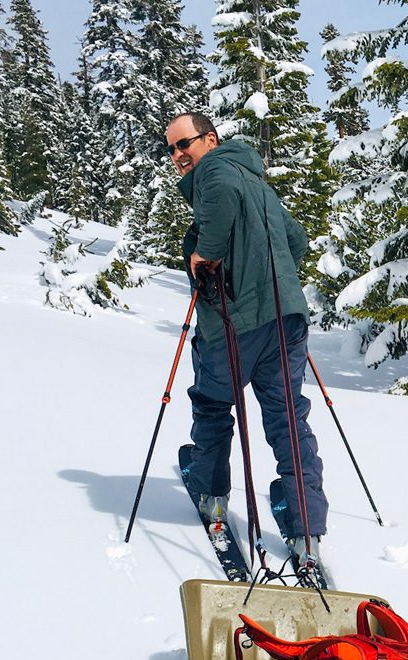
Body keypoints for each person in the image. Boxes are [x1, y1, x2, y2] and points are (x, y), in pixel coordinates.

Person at [165, 111, 328, 566]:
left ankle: (213, 496)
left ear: (210, 139)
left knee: (214, 403)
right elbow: (295, 241)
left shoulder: (215, 171)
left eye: (185, 144)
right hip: (286, 320)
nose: (179, 155)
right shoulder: (258, 180)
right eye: (172, 149)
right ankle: (305, 529)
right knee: (287, 419)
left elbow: (219, 209)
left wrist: (204, 253)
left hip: (237, 323)